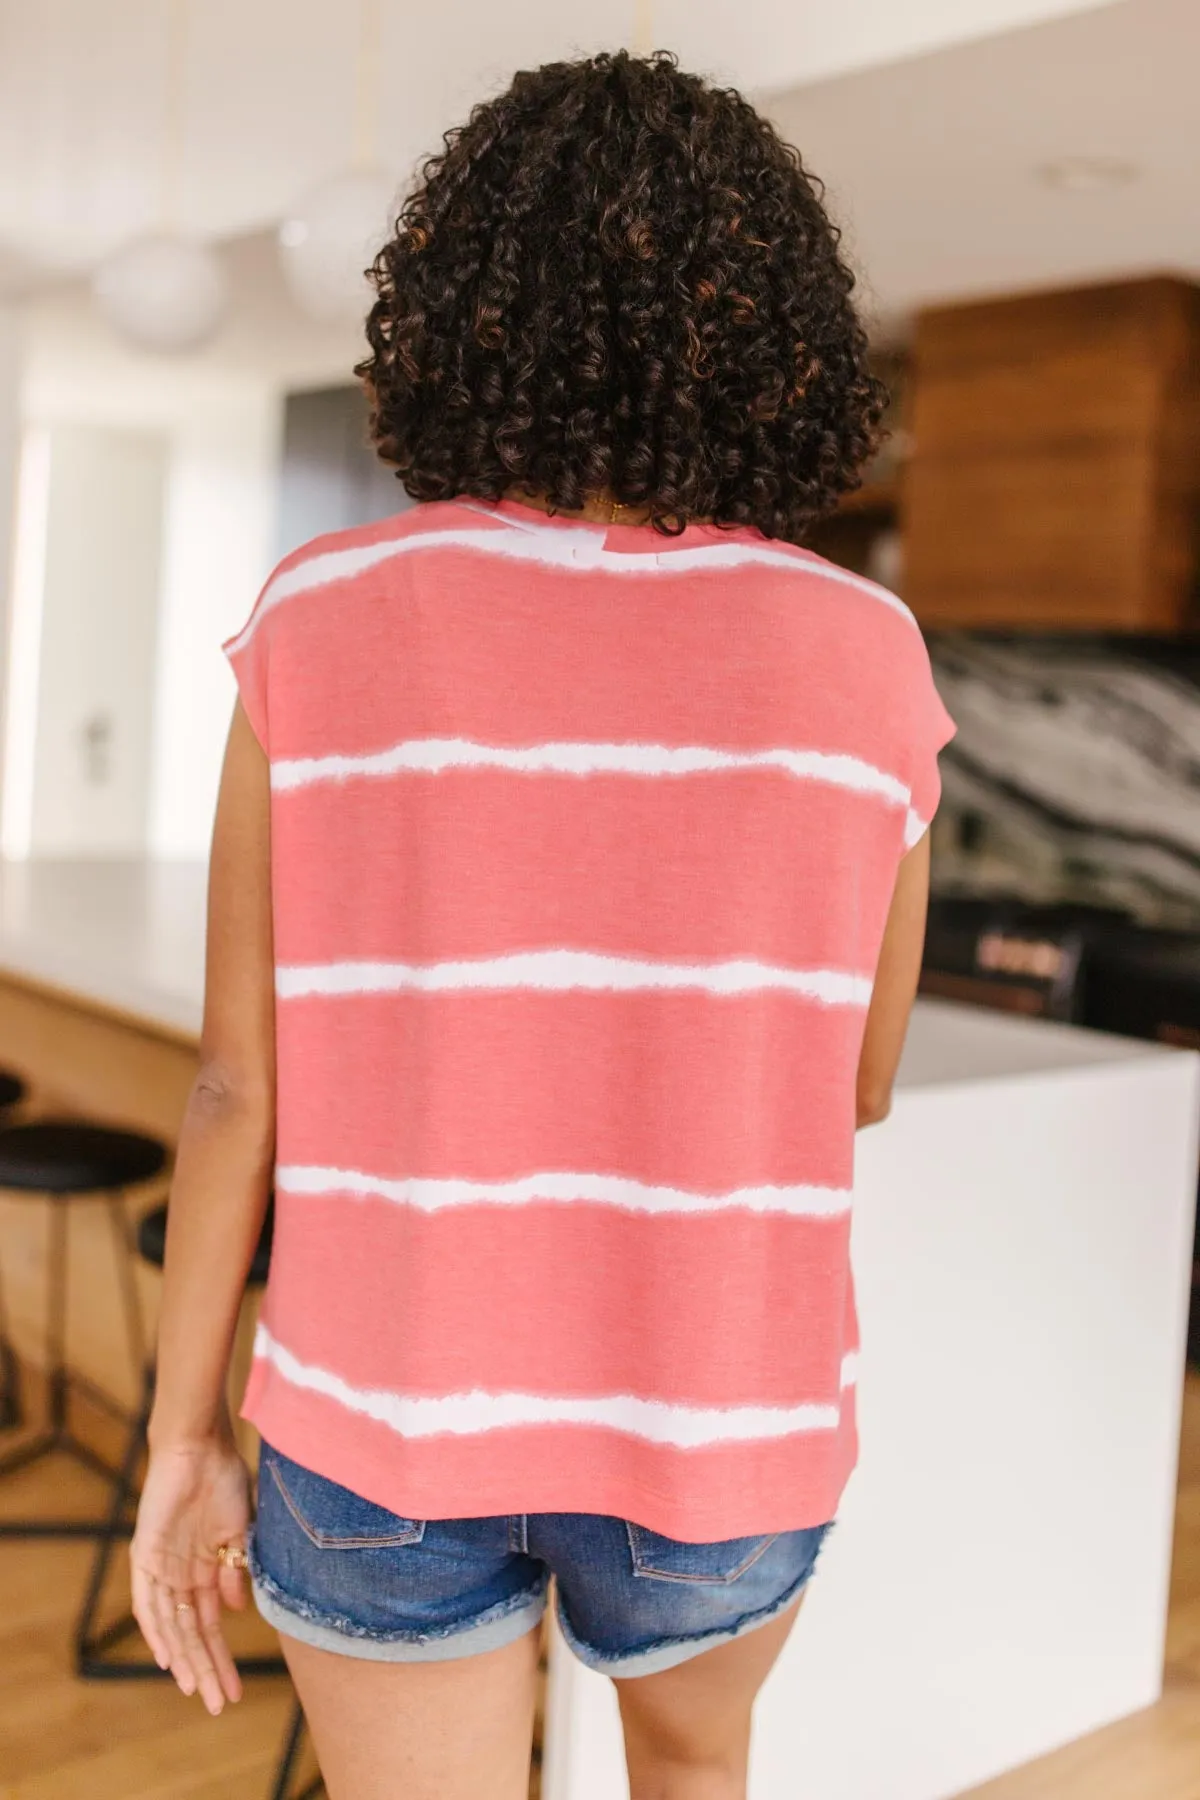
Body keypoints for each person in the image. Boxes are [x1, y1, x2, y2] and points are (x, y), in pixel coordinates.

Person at [130, 48, 954, 1800]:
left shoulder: (323, 614)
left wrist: (183, 1437)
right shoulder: (865, 655)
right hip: (721, 1419)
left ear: (456, 312)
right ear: (773, 334)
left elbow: (234, 1092)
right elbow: (854, 1082)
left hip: (380, 1414)